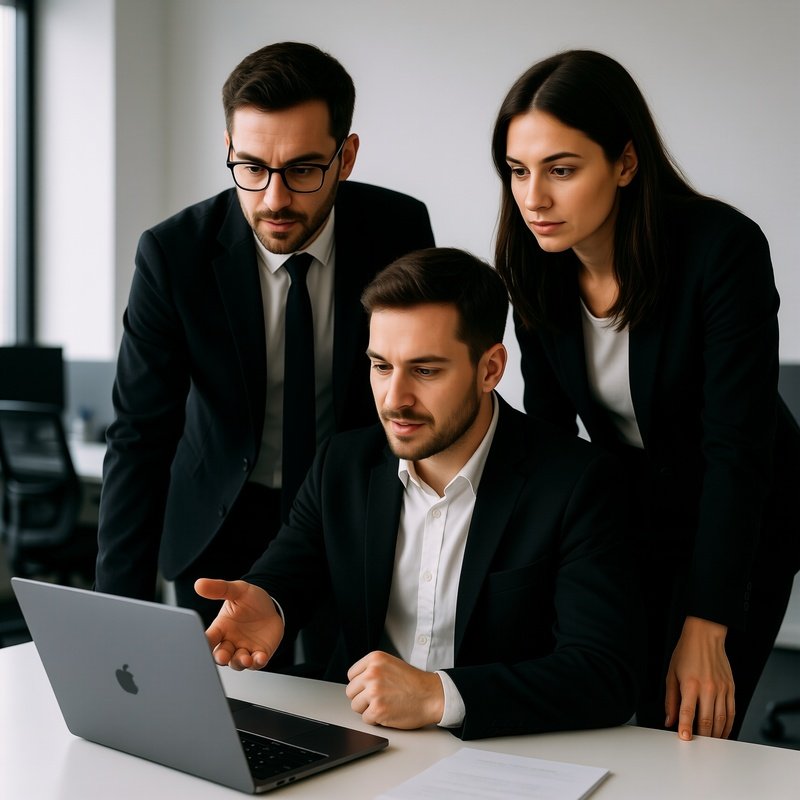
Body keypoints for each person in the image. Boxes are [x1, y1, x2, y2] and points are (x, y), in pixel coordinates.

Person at [195, 247, 640, 740]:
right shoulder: (341, 464)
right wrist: (270, 602)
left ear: (490, 369)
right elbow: (291, 569)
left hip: (506, 757)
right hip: (359, 740)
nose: (394, 399)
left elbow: (604, 674)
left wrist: (438, 695)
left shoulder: (577, 481)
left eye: (425, 371)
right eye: (381, 366)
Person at [491, 49, 800, 741]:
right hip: (633, 504)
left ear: (625, 163)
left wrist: (707, 620)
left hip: (746, 511)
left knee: (685, 719)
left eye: (561, 170)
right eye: (518, 170)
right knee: (599, 698)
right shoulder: (534, 266)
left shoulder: (722, 251)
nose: (534, 197)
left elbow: (736, 453)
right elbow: (548, 438)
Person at [94, 41, 435, 663]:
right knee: (224, 713)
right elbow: (140, 435)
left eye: (303, 169)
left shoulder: (398, 231)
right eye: (251, 167)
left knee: (353, 707)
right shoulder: (174, 256)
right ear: (228, 147)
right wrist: (113, 614)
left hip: (352, 509)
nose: (275, 198)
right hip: (222, 518)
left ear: (346, 156)